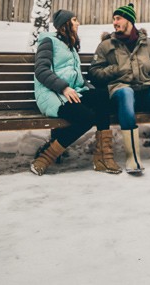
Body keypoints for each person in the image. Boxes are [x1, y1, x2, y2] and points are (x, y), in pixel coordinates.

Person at [89, 3, 150, 173]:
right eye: (114, 19)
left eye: (118, 18)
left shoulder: (147, 44)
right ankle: (132, 157)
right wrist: (115, 69)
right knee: (126, 92)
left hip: (145, 90)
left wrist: (149, 65)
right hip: (121, 94)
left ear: (129, 21)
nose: (114, 22)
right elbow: (94, 73)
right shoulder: (106, 45)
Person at [30, 9, 121, 175]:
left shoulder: (70, 46)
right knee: (87, 118)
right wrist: (63, 87)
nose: (78, 23)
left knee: (101, 96)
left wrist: (89, 91)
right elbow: (41, 71)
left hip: (71, 93)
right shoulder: (48, 42)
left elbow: (77, 77)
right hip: (52, 95)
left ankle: (103, 157)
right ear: (64, 24)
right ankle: (45, 157)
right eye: (74, 20)